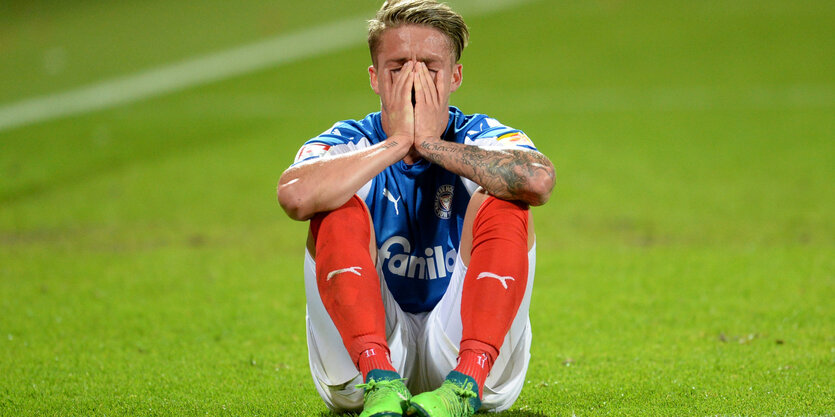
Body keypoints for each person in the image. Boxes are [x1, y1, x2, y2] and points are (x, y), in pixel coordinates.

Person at [277, 1, 555, 416]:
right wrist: (395, 144)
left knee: (508, 198)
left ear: (455, 76)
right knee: (333, 203)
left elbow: (538, 180)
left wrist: (429, 145)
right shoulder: (348, 141)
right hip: (368, 358)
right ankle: (380, 380)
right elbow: (295, 196)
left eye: (429, 67)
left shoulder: (480, 134)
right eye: (398, 67)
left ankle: (464, 386)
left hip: (463, 346)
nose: (413, 80)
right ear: (374, 78)